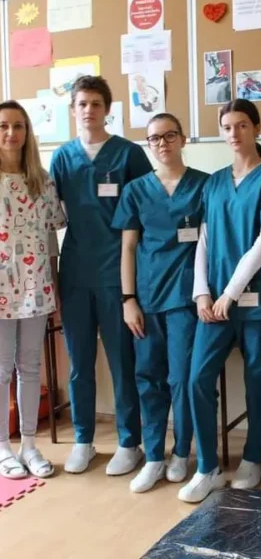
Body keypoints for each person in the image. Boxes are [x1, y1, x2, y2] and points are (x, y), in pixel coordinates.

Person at [178, 99, 261, 503]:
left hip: (254, 301)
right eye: (227, 127)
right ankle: (207, 467)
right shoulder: (214, 183)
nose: (234, 133)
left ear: (256, 128)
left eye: (241, 125)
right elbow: (204, 240)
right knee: (197, 378)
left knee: (258, 379)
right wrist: (202, 291)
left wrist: (231, 292)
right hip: (215, 304)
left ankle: (254, 456)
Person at [50, 76, 153, 475]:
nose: (88, 110)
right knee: (79, 362)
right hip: (76, 271)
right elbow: (53, 215)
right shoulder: (62, 158)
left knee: (122, 361)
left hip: (117, 273)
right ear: (72, 110)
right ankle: (83, 439)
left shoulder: (128, 155)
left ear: (107, 109)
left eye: (96, 103)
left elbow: (146, 212)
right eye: (82, 104)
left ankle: (130, 442)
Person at [112, 114, 208, 493]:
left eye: (169, 136)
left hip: (187, 299)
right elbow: (128, 248)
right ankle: (153, 456)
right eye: (154, 138)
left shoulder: (204, 185)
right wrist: (128, 299)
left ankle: (182, 451)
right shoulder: (136, 190)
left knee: (181, 378)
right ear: (148, 145)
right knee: (149, 377)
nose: (162, 143)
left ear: (183, 139)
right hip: (147, 298)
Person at [0, 100, 66, 479]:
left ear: (28, 132)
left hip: (36, 286)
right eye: (3, 126)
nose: (11, 133)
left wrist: (53, 284)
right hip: (2, 290)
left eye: (18, 126)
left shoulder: (42, 180)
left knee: (30, 367)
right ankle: (3, 448)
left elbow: (51, 237)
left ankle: (29, 445)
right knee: (1, 369)